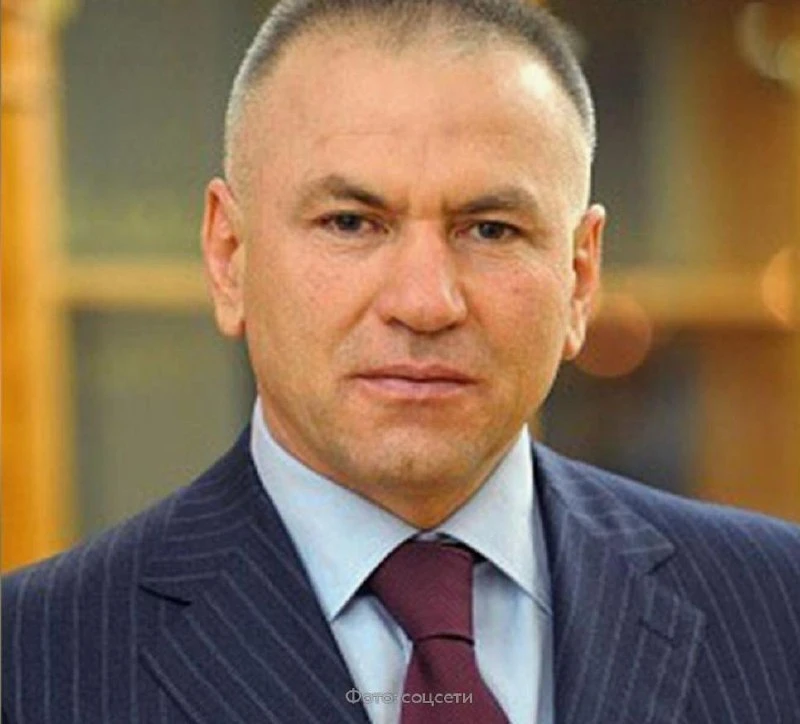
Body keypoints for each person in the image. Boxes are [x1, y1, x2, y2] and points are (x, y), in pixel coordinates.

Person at [3, 1, 800, 722]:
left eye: (490, 229)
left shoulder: (779, 608)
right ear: (229, 256)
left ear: (581, 277)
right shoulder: (30, 661)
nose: (425, 303)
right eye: (351, 222)